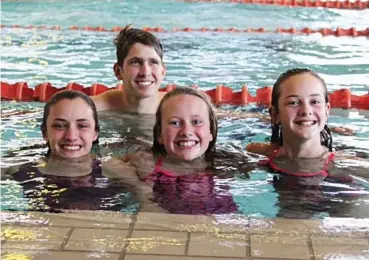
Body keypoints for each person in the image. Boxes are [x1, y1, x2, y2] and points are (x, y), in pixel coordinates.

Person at [3, 90, 143, 212]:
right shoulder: (19, 166)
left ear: (95, 133)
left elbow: (149, 202)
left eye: (82, 126)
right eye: (59, 126)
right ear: (45, 132)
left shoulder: (115, 170)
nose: (71, 136)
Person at [106, 87, 239, 215]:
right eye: (175, 123)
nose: (186, 132)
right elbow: (106, 164)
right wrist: (141, 188)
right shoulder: (148, 161)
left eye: (197, 121)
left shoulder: (226, 162)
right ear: (160, 135)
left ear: (211, 131)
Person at [92, 26, 166, 113]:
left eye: (153, 62)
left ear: (163, 71)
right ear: (118, 71)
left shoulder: (179, 108)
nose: (145, 72)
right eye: (136, 62)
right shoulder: (95, 108)